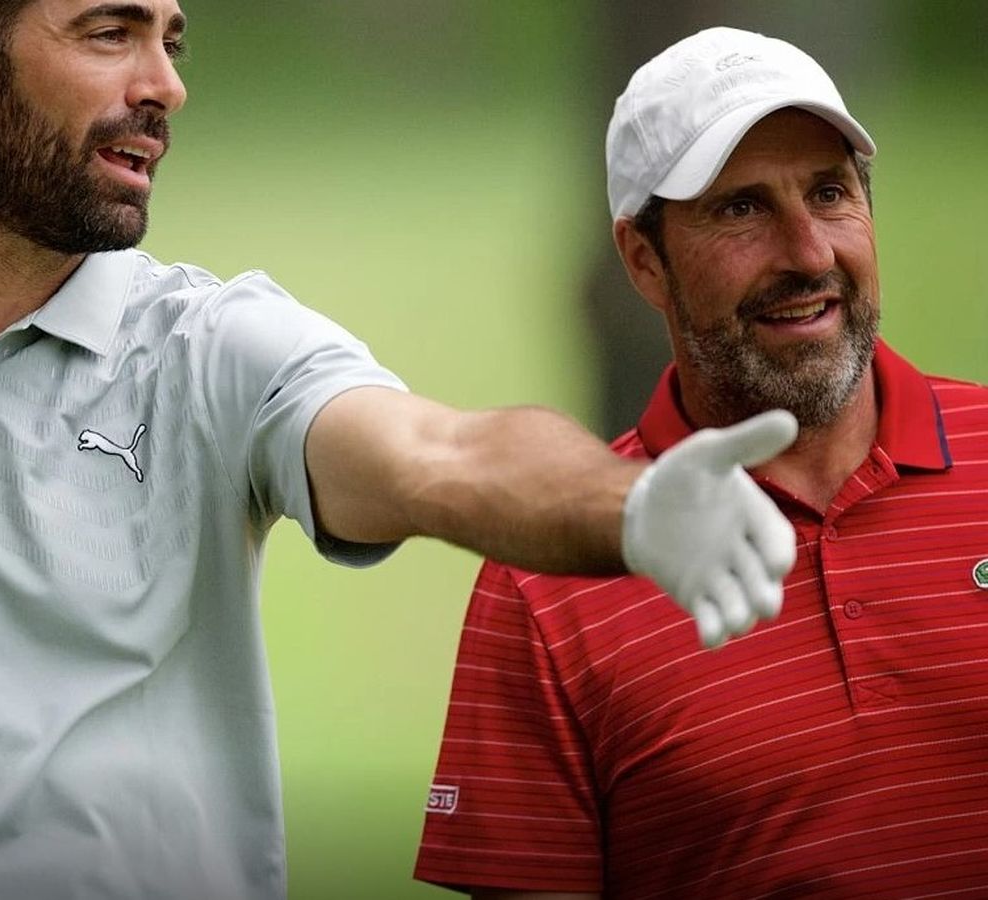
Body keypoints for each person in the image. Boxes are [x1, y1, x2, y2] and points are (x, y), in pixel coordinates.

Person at [0, 6, 801, 899]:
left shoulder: (215, 347)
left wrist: (626, 502)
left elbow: (438, 453)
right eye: (110, 32)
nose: (166, 83)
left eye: (171, 40)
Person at [413, 26, 988, 899]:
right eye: (741, 210)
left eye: (830, 193)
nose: (809, 253)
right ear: (645, 261)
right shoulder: (546, 580)